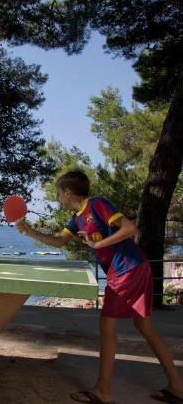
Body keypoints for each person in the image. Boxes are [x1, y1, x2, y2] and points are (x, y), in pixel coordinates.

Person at [16, 169, 183, 404]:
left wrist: (99, 244)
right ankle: (177, 387)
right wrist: (30, 231)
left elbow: (130, 229)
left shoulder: (97, 204)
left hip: (127, 268)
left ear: (68, 191)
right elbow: (59, 242)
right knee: (144, 326)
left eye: (58, 193)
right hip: (133, 267)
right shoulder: (76, 219)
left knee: (107, 326)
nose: (57, 198)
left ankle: (103, 391)